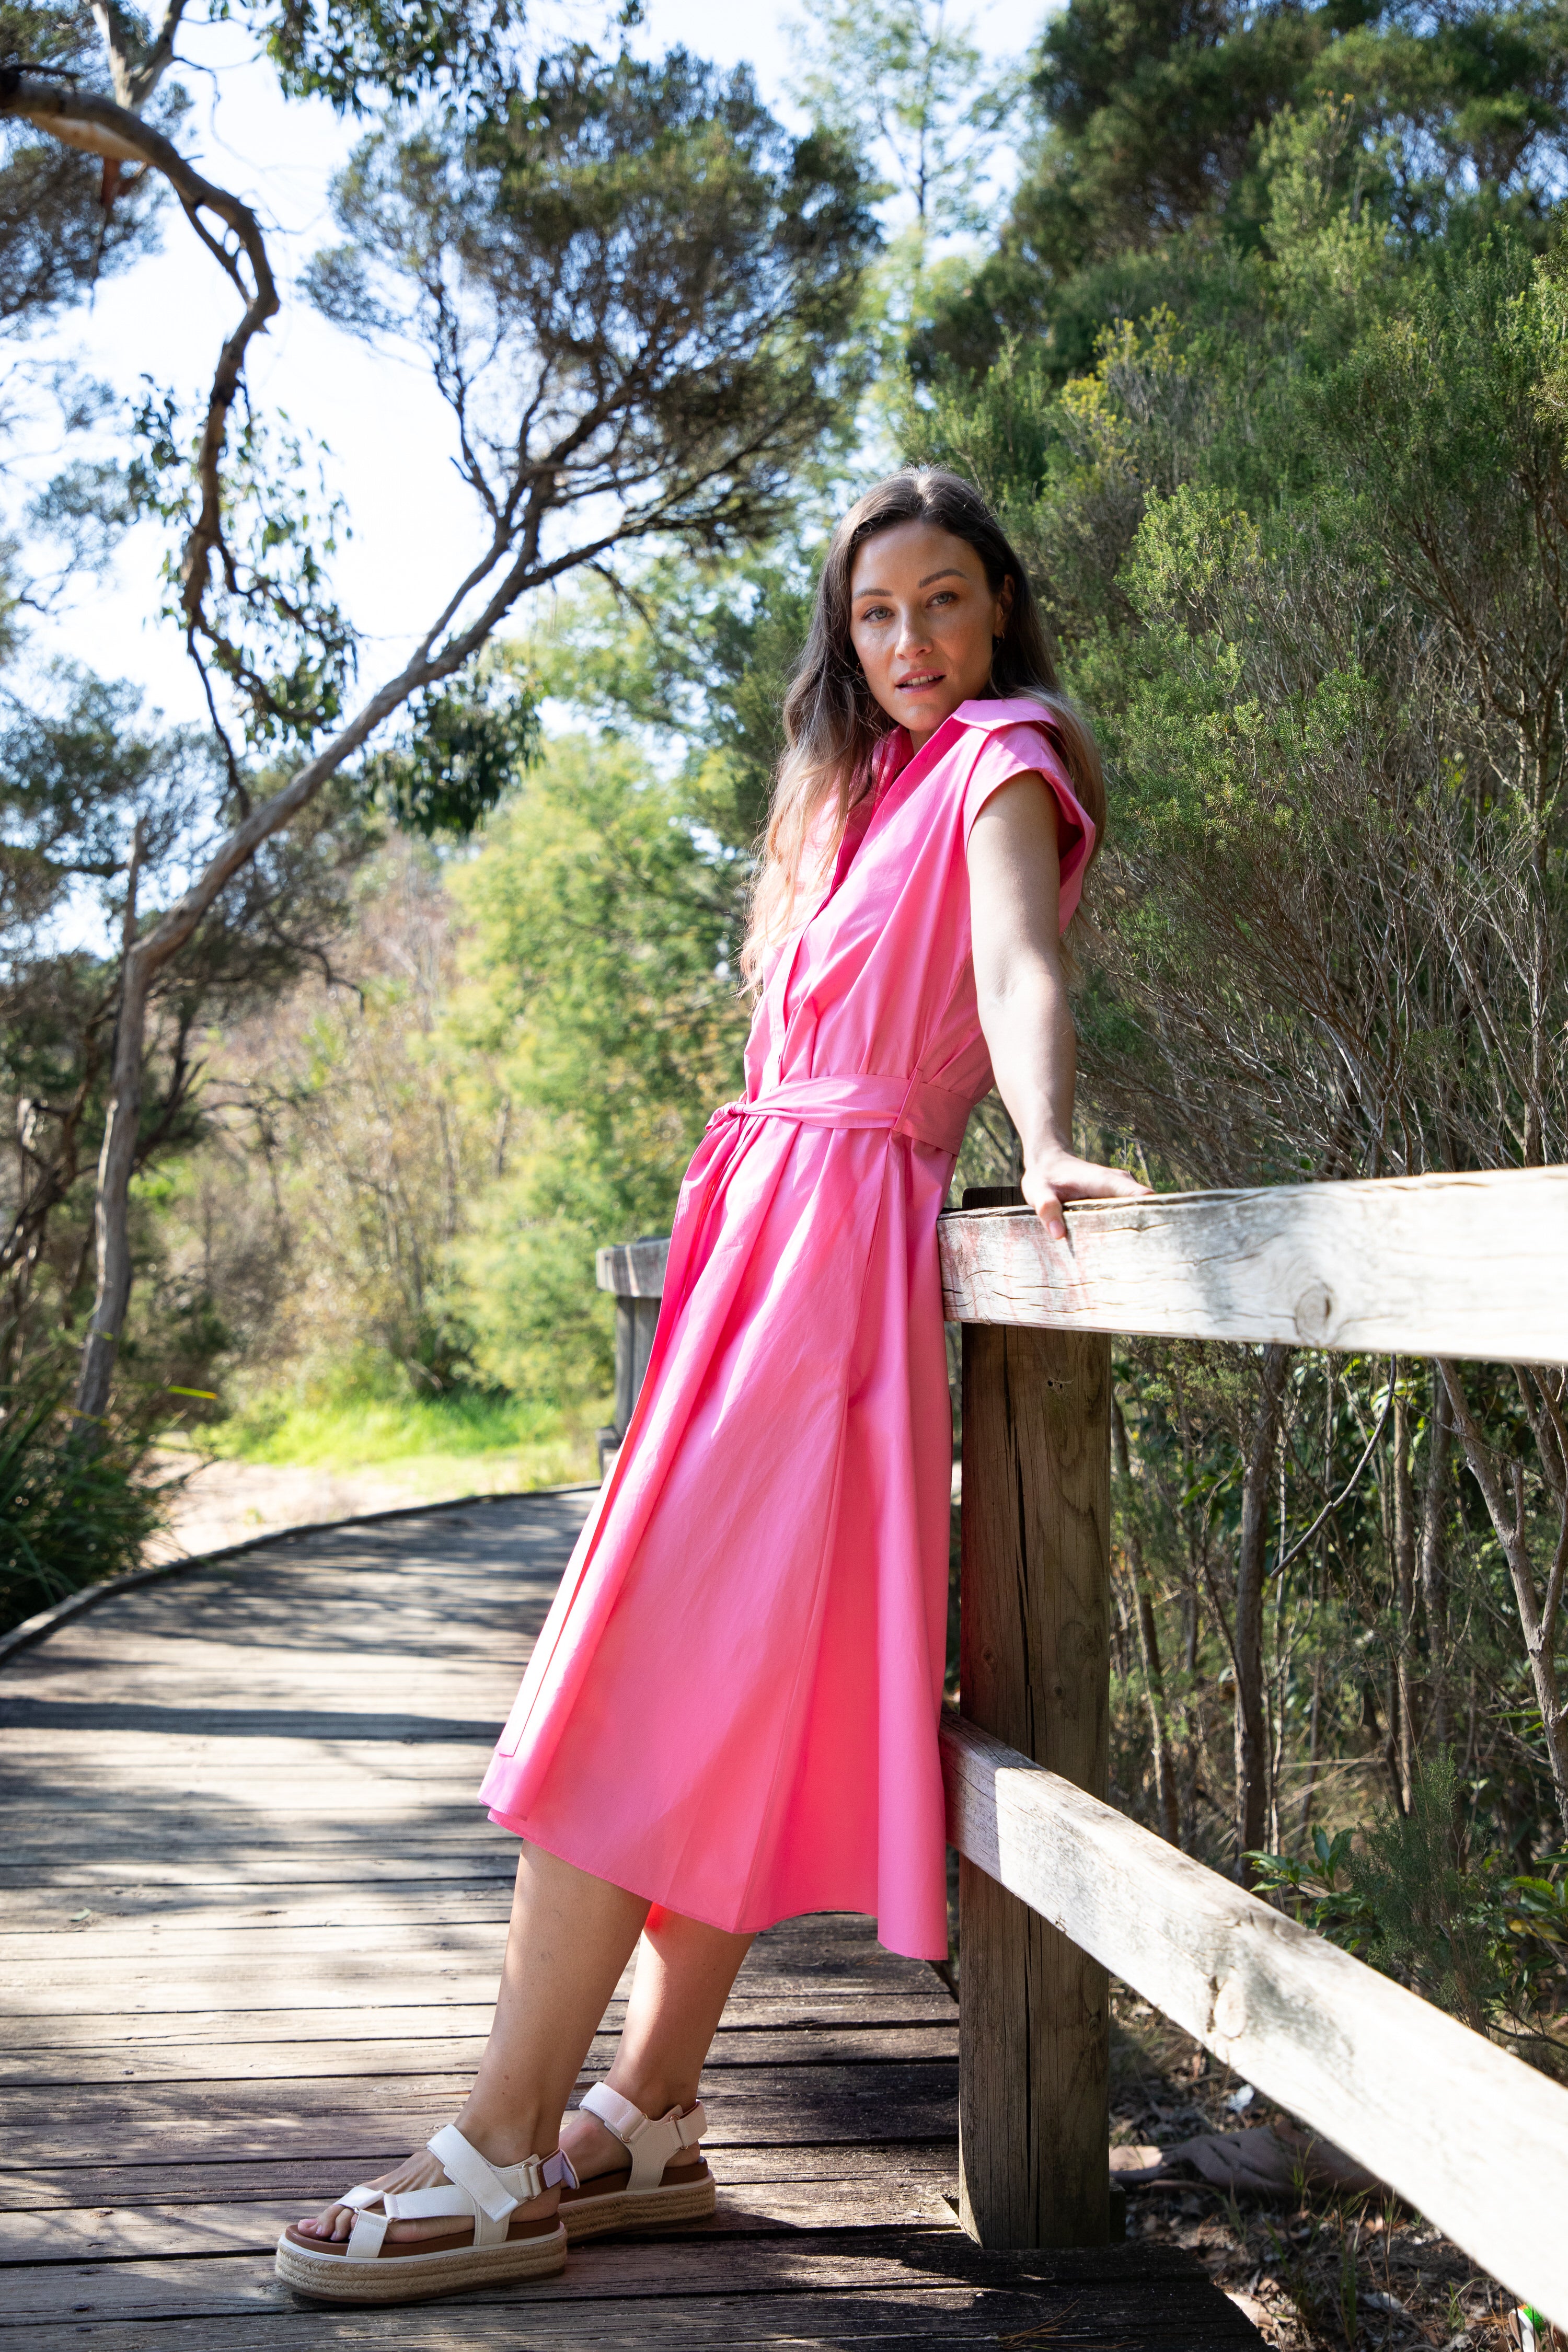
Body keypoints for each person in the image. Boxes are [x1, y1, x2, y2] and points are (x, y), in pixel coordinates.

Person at [275, 467, 1150, 2304]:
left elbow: (1014, 959)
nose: (909, 639)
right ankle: (650, 2111)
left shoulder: (1004, 758)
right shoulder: (858, 788)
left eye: (942, 599)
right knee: (720, 1694)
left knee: (637, 1684)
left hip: (831, 1263)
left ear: (999, 605)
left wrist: (1051, 1135)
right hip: (764, 1244)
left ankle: (505, 2140)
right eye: (875, 612)